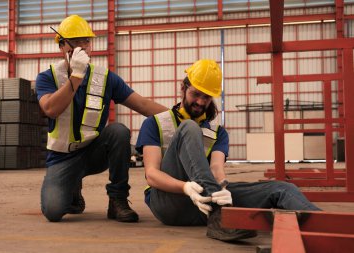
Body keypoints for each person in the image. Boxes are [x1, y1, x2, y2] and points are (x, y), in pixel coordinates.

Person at [135, 59, 321, 242]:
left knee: (281, 188)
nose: (200, 101)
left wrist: (221, 187)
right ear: (183, 89)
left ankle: (329, 224)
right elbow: (151, 175)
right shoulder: (156, 124)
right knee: (190, 127)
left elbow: (216, 169)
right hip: (169, 203)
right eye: (196, 94)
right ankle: (220, 216)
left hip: (203, 205)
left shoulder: (218, 133)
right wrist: (185, 187)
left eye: (206, 97)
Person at [35, 15, 167, 223]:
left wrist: (181, 119)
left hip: (94, 152)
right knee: (53, 211)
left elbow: (142, 105)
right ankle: (72, 189)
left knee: (118, 132)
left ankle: (117, 200)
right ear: (62, 46)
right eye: (76, 42)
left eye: (86, 41)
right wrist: (76, 76)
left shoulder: (105, 78)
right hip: (63, 157)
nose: (83, 47)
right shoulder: (47, 77)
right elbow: (50, 109)